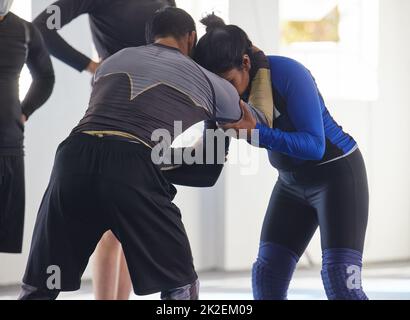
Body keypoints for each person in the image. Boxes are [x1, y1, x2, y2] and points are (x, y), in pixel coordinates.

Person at [19, 7, 268, 300]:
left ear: (151, 37)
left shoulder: (113, 62)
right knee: (181, 286)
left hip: (72, 158)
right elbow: (259, 122)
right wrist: (260, 61)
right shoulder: (210, 82)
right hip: (131, 164)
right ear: (190, 39)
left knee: (41, 285)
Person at [194, 15, 369, 300]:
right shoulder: (221, 90)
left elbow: (315, 146)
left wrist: (258, 132)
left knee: (340, 282)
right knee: (267, 278)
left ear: (246, 64)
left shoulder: (288, 73)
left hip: (336, 177)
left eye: (228, 82)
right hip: (290, 184)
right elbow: (208, 162)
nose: (224, 92)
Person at [34, 0, 176, 300]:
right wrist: (91, 65)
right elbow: (42, 26)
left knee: (131, 220)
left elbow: (175, 35)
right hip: (114, 111)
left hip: (156, 112)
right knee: (109, 226)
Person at [0, 0, 55, 254]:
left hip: (9, 145)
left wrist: (25, 110)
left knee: (4, 235)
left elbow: (45, 76)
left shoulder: (25, 30)